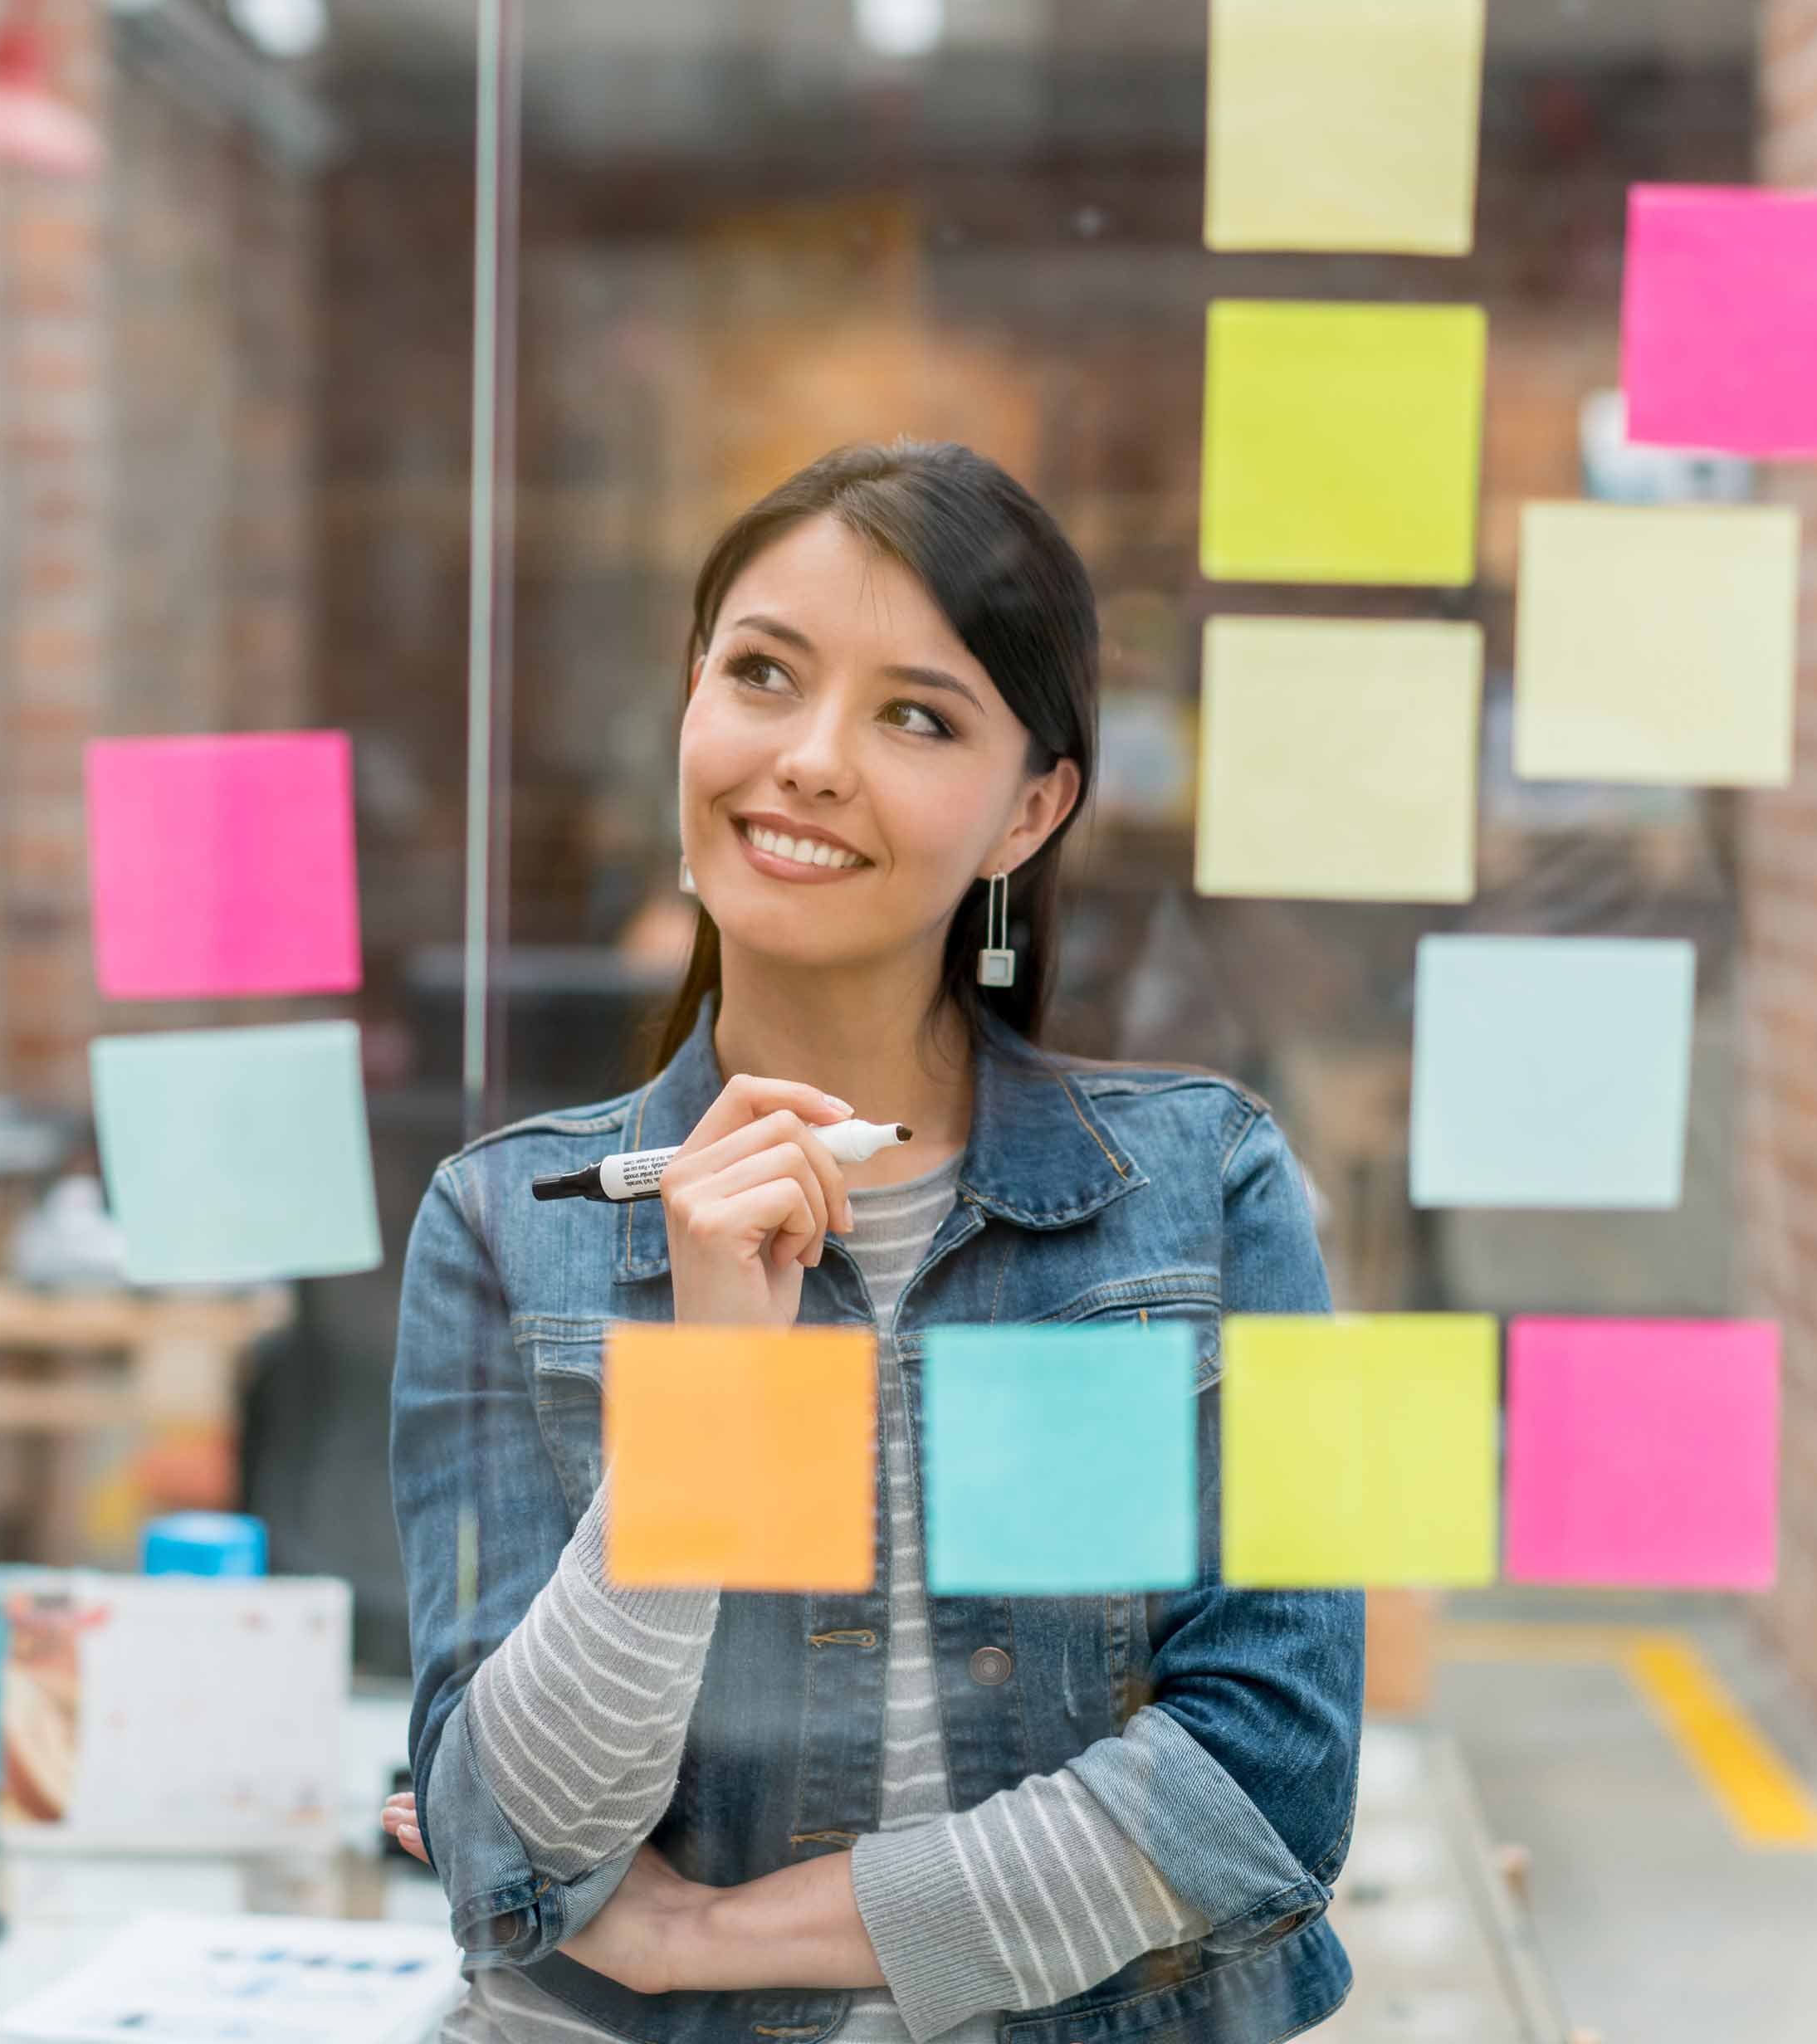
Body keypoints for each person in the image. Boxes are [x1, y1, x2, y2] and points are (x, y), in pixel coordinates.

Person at [383, 441, 1360, 2044]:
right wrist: (713, 1398)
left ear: (1028, 812)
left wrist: (705, 1940)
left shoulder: (1210, 1192)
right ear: (689, 703)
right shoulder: (507, 1230)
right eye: (763, 674)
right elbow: (513, 1848)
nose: (812, 759)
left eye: (919, 715)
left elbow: (1264, 1788)